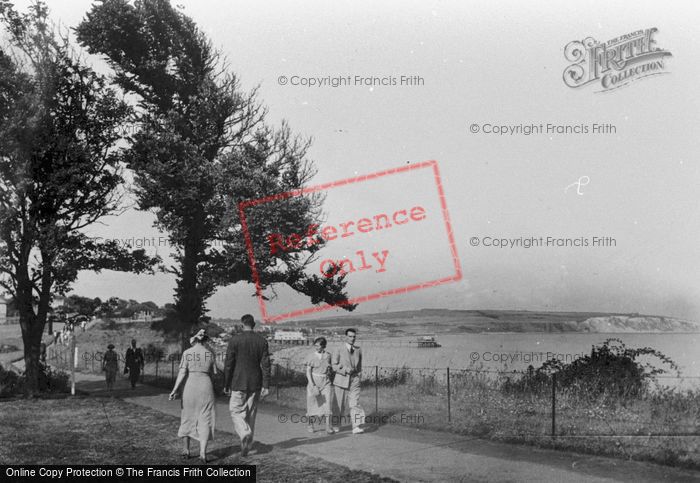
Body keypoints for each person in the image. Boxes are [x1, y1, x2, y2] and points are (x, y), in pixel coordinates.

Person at [223, 314, 271, 457]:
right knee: (251, 414)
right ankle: (247, 445)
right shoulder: (262, 341)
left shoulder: (235, 340)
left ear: (242, 324)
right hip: (255, 382)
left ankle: (244, 433)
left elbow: (229, 364)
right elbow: (266, 365)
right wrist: (266, 385)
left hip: (238, 381)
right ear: (253, 324)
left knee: (235, 411)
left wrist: (226, 383)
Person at [169, 329, 217, 463]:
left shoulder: (187, 353)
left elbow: (182, 373)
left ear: (195, 339)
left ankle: (186, 450)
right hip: (206, 386)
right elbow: (215, 373)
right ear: (205, 339)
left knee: (187, 416)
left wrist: (174, 390)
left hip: (191, 386)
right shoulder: (209, 353)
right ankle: (202, 452)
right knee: (205, 418)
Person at [331, 328, 364, 434]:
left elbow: (359, 367)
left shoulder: (358, 350)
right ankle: (336, 424)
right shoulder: (339, 349)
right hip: (341, 380)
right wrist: (345, 370)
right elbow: (334, 365)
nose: (352, 338)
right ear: (346, 337)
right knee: (339, 405)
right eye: (350, 336)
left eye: (354, 336)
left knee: (355, 404)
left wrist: (357, 376)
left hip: (354, 381)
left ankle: (356, 427)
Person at [305, 337, 335, 434]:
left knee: (327, 405)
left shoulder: (328, 356)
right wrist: (312, 384)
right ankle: (310, 425)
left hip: (325, 382)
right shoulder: (311, 356)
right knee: (311, 404)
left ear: (323, 346)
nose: (316, 347)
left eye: (318, 345)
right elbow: (308, 371)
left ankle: (328, 427)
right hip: (313, 382)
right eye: (315, 345)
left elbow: (330, 369)